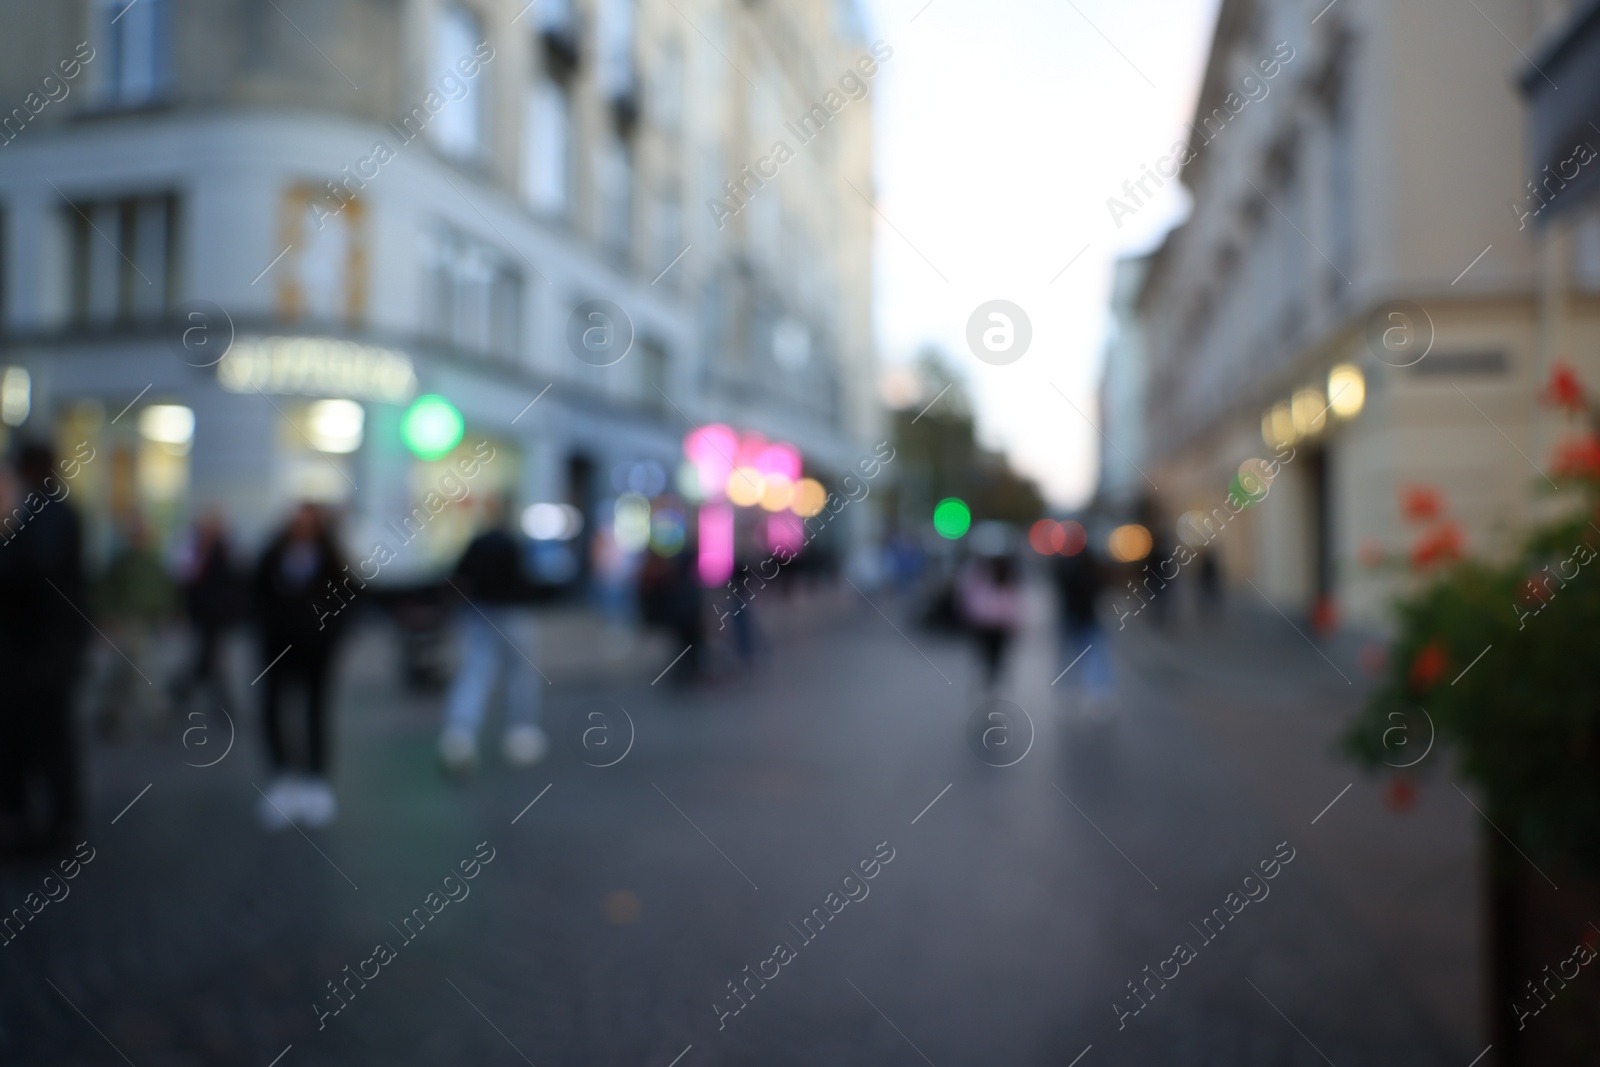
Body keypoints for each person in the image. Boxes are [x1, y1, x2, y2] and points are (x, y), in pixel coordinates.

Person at [0, 442, 90, 854]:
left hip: (41, 653)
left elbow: (32, 573)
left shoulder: (40, 513)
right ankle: (47, 822)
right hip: (43, 651)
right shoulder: (54, 510)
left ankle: (55, 826)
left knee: (45, 740)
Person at [252, 503, 347, 829]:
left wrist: (330, 635)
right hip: (277, 650)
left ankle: (315, 780)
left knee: (316, 711)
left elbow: (348, 601)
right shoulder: (272, 556)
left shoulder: (332, 560)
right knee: (273, 710)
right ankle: (283, 778)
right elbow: (256, 595)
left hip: (317, 653)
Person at [437, 495, 548, 774]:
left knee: (475, 673)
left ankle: (460, 735)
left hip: (479, 614)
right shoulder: (512, 544)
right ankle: (521, 733)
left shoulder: (478, 543)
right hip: (510, 614)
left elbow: (460, 577)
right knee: (519, 673)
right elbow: (525, 579)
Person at [92, 512, 177, 734]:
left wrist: (167, 615)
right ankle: (112, 715)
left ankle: (156, 715)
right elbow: (106, 591)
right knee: (126, 672)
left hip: (146, 624)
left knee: (141, 672)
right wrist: (108, 616)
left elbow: (166, 591)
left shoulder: (154, 562)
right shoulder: (122, 562)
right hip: (126, 623)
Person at [171, 512, 247, 713]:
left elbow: (234, 584)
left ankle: (186, 691)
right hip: (202, 615)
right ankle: (217, 702)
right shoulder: (194, 553)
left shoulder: (224, 553)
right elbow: (185, 582)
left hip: (218, 617)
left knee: (211, 660)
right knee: (210, 660)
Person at [1053, 542, 1116, 720]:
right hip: (1088, 618)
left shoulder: (1068, 568)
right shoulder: (1095, 570)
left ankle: (1069, 691)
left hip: (1074, 618)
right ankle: (1096, 693)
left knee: (1071, 656)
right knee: (1094, 655)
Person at [957, 551, 1024, 691]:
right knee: (988, 657)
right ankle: (989, 681)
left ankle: (993, 682)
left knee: (996, 658)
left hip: (998, 624)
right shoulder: (980, 573)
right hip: (986, 624)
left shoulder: (1006, 574)